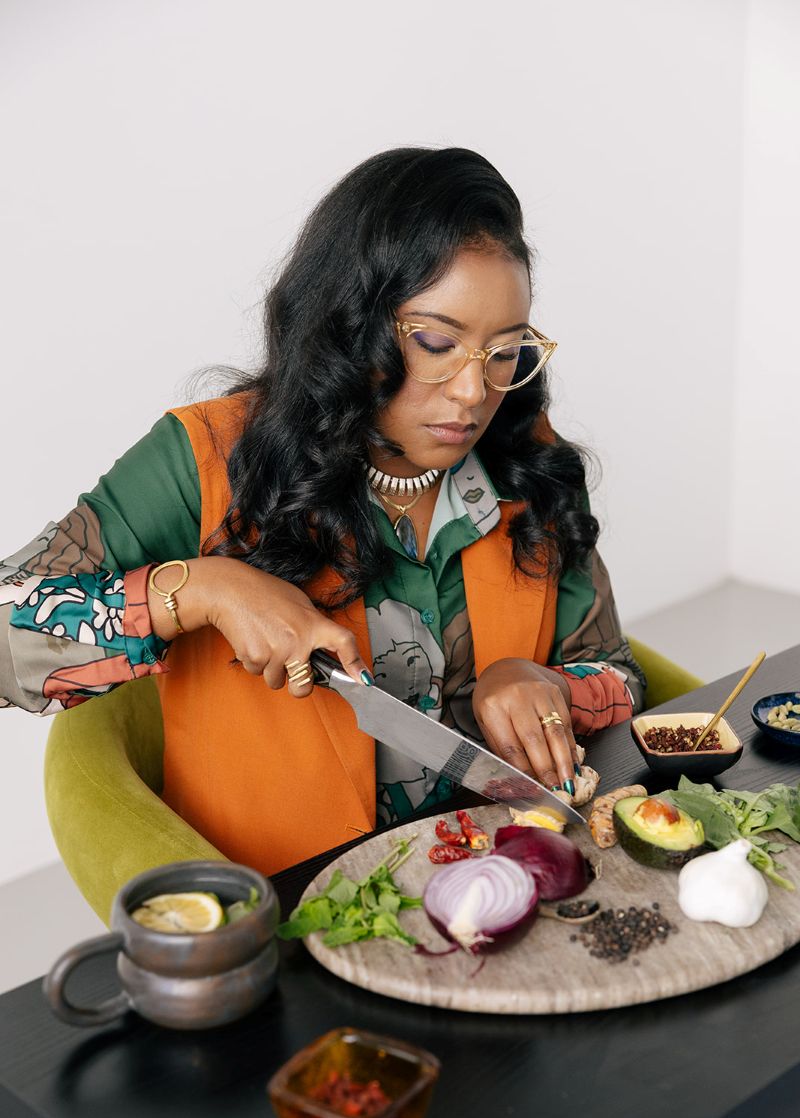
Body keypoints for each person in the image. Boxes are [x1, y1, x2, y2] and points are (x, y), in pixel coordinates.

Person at [0, 147, 645, 876]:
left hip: (504, 879)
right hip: (292, 915)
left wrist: (548, 683)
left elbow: (618, 673)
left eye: (503, 351)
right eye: (436, 342)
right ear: (349, 323)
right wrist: (205, 590)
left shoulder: (531, 464)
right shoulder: (207, 460)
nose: (473, 392)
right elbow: (4, 632)